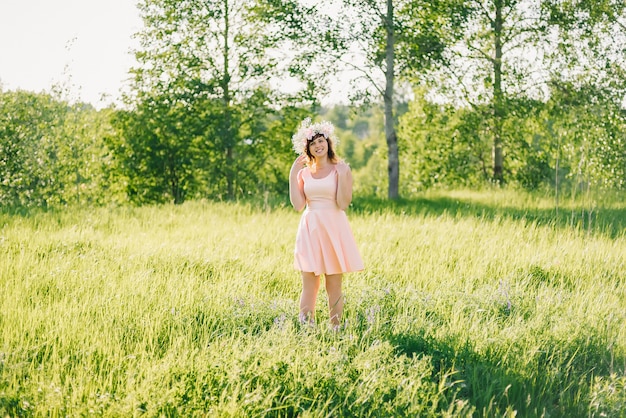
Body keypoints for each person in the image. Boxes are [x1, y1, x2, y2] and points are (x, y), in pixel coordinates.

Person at [289, 117, 364, 329]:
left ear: (328, 143)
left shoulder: (341, 169)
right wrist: (292, 174)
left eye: (321, 141)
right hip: (310, 228)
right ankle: (306, 329)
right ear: (308, 149)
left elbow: (342, 203)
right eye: (313, 143)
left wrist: (342, 175)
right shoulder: (303, 173)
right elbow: (297, 205)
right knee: (309, 283)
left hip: (333, 226)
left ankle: (336, 329)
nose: (318, 146)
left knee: (333, 284)